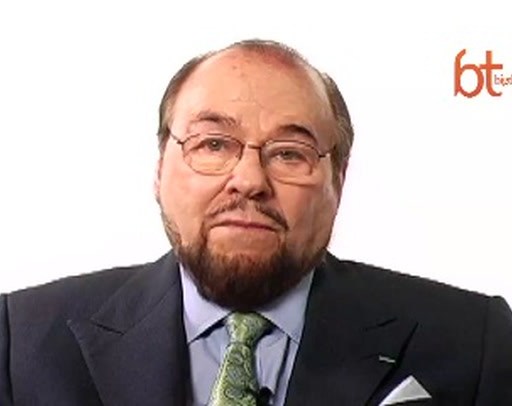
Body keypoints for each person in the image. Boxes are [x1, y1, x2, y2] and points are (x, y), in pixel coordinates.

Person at [1, 39, 511, 406]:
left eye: (289, 153)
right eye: (213, 145)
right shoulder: (20, 341)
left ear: (338, 181)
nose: (248, 181)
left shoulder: (475, 342)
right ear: (159, 169)